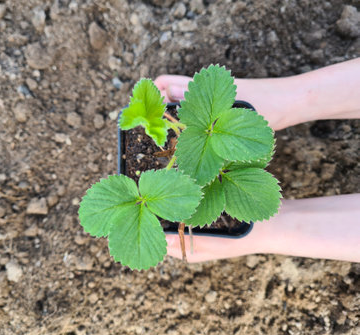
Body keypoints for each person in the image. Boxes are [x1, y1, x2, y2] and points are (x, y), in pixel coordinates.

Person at [154, 58, 360, 263]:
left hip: (205, 151)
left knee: (245, 167)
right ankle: (296, 98)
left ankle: (286, 227)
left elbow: (199, 169)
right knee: (212, 158)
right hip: (201, 149)